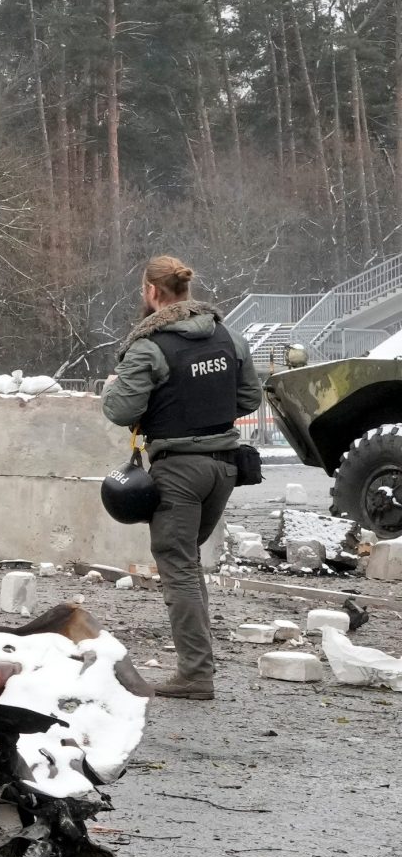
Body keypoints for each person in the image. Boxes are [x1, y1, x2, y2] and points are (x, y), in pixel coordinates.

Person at [100, 254, 263, 700]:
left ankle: (195, 674)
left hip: (178, 471)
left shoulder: (149, 346)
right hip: (225, 467)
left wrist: (113, 385)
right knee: (187, 563)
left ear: (153, 292)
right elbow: (248, 398)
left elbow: (120, 411)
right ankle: (199, 666)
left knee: (179, 571)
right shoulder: (229, 336)